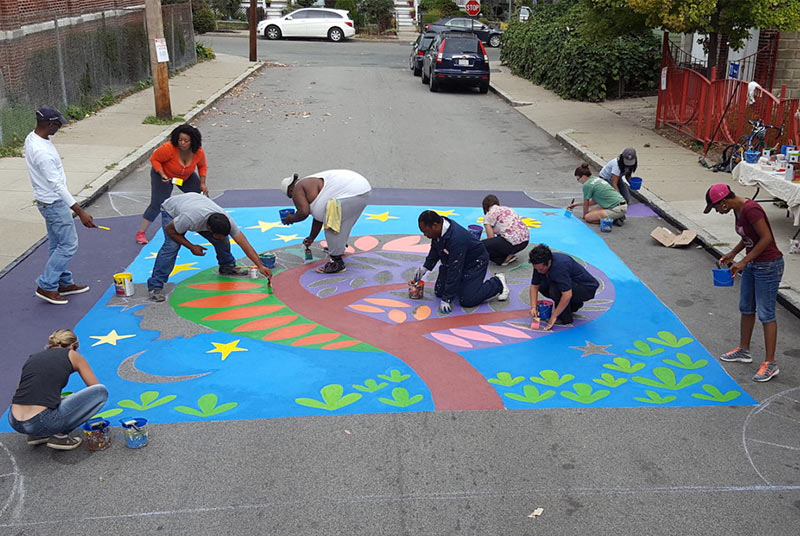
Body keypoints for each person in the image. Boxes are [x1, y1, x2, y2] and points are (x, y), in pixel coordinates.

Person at [704, 184, 784, 382]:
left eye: (715, 207)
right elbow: (748, 237)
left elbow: (766, 238)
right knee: (746, 308)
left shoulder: (751, 209)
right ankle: (744, 350)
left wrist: (744, 261)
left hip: (768, 265)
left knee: (766, 313)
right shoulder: (737, 209)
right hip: (752, 263)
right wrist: (733, 253)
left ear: (724, 202)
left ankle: (771, 363)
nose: (717, 211)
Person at [25, 106, 96, 305]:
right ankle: (46, 286)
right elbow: (56, 185)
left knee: (57, 244)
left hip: (46, 201)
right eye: (57, 124)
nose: (59, 127)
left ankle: (63, 282)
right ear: (48, 124)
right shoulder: (41, 153)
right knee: (68, 245)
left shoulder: (34, 138)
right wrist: (80, 212)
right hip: (54, 203)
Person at [146, 193, 272, 302]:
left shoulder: (227, 221)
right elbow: (170, 231)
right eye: (217, 235)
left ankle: (227, 266)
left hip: (195, 202)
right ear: (209, 229)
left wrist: (260, 265)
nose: (221, 237)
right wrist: (191, 246)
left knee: (223, 241)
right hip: (172, 210)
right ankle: (155, 286)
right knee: (171, 246)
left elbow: (244, 243)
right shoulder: (191, 219)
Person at [8, 329, 108, 450]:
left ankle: (36, 435)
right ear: (72, 346)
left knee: (54, 398)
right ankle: (60, 437)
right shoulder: (72, 354)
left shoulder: (33, 358)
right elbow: (93, 387)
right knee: (101, 392)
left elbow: (22, 389)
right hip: (39, 421)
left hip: (14, 420)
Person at [414, 210, 509, 314]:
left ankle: (498, 282)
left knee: (467, 299)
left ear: (435, 225)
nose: (425, 235)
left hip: (475, 262)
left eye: (426, 232)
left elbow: (455, 269)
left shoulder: (456, 238)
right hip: (455, 259)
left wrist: (447, 299)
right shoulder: (438, 230)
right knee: (439, 292)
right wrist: (425, 267)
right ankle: (463, 283)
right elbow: (435, 249)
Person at [280, 169, 372, 274]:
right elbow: (318, 216)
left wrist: (290, 219)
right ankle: (338, 248)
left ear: (291, 191)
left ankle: (336, 262)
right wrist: (311, 237)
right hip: (363, 191)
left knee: (331, 224)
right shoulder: (310, 183)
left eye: (292, 197)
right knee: (342, 223)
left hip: (348, 194)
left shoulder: (298, 188)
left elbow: (303, 212)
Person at [136, 124, 208, 245]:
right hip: (165, 175)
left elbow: (202, 166)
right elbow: (154, 159)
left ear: (193, 141)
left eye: (186, 141)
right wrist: (162, 174)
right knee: (157, 203)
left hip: (186, 176)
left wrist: (202, 183)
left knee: (202, 196)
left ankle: (209, 224)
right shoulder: (168, 148)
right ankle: (141, 232)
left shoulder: (198, 151)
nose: (182, 143)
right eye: (180, 140)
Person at [528, 244, 599, 329]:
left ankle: (565, 318)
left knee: (555, 289)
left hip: (586, 288)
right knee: (543, 285)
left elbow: (567, 294)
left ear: (549, 262)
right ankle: (574, 305)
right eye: (536, 269)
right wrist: (533, 307)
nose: (538, 271)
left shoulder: (559, 267)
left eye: (541, 269)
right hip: (572, 284)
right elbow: (534, 286)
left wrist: (554, 316)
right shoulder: (539, 264)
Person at [481, 194, 529, 266]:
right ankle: (509, 255)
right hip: (524, 241)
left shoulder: (489, 215)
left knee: (482, 245)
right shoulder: (508, 209)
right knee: (500, 238)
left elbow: (490, 239)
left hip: (511, 243)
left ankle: (503, 259)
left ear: (485, 207)